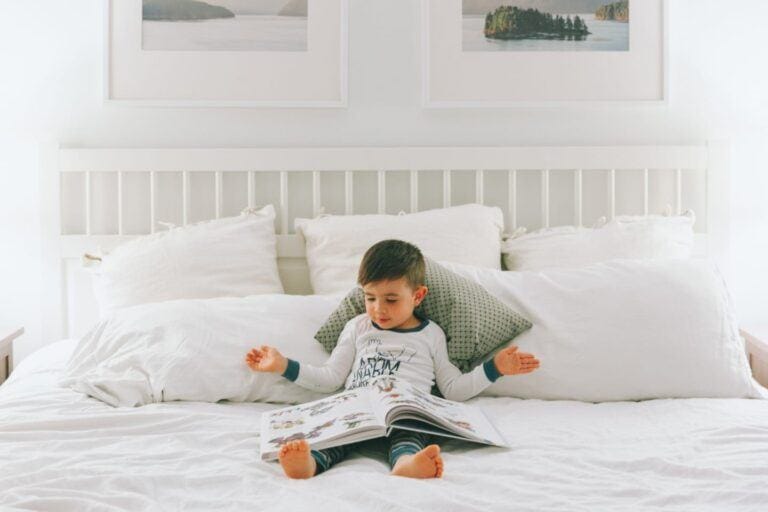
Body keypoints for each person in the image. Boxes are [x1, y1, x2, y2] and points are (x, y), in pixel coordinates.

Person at [245, 239, 541, 479]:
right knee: (337, 437)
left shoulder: (431, 334)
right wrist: (282, 364)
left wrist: (495, 368)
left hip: (406, 411)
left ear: (418, 296)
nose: (378, 309)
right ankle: (309, 463)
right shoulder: (357, 326)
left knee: (409, 434)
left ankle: (406, 464)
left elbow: (453, 389)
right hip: (358, 411)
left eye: (391, 299)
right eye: (370, 297)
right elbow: (330, 378)